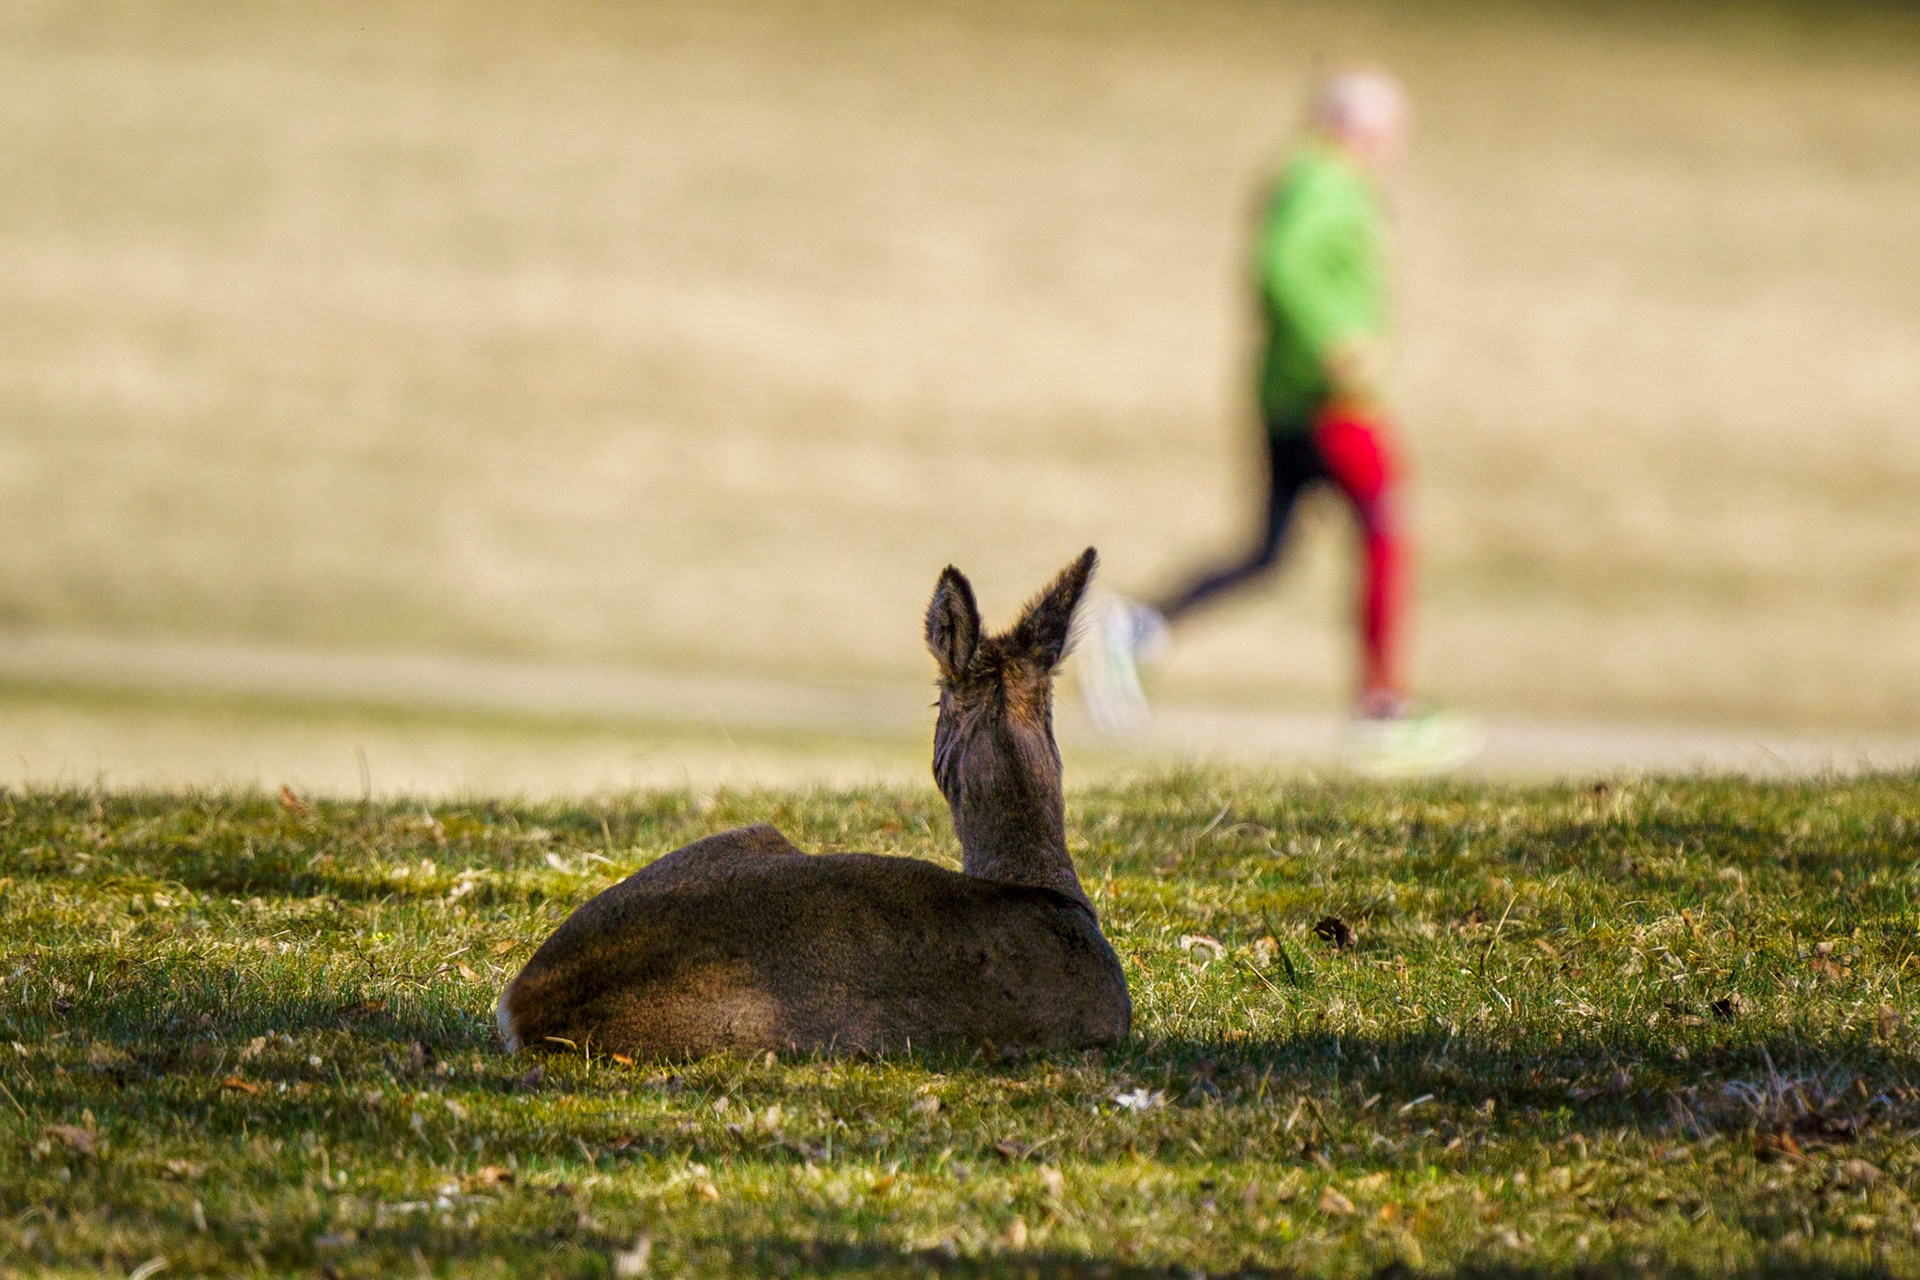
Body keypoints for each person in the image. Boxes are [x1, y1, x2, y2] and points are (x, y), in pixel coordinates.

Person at [1080, 69, 1475, 773]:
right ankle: (1381, 707)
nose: (1396, 149)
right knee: (1388, 524)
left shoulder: (1299, 177)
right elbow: (1282, 265)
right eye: (1391, 133)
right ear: (1362, 127)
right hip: (1330, 399)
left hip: (1287, 394)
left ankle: (1142, 626)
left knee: (1268, 552)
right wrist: (1336, 343)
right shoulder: (1326, 179)